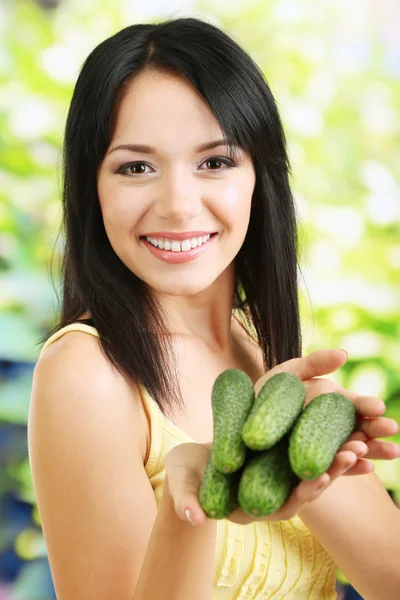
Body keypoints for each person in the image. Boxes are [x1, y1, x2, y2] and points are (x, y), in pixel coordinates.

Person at [27, 15, 400, 600]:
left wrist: (305, 462)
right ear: (90, 187)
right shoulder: (87, 375)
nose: (178, 205)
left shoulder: (263, 353)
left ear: (259, 176)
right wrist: (189, 511)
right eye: (136, 167)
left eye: (215, 161)